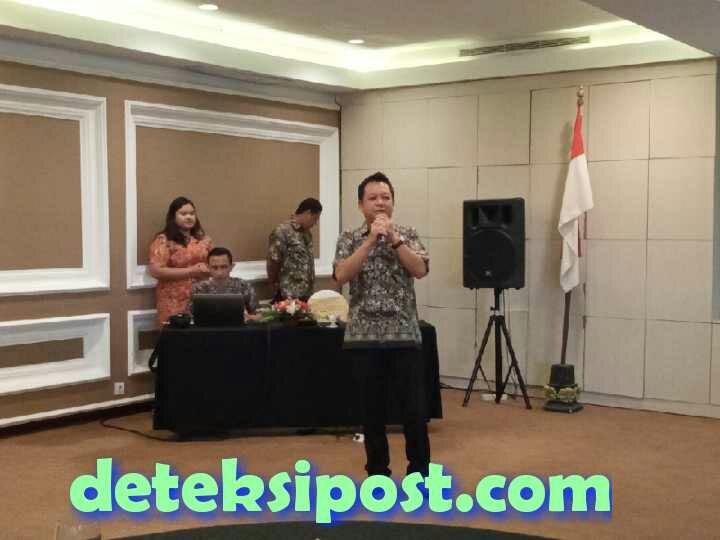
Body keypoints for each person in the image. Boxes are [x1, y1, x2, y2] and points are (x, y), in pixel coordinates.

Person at [333, 172, 430, 479]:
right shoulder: (349, 238)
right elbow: (341, 275)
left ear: (393, 203)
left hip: (404, 334)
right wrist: (370, 241)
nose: (380, 203)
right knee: (371, 413)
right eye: (373, 198)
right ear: (361, 205)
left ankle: (419, 475)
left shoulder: (408, 234)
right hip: (363, 337)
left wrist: (395, 240)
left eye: (385, 197)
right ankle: (377, 474)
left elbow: (420, 269)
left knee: (414, 411)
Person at [149, 196, 213, 324]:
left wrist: (208, 270)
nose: (189, 217)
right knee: (175, 333)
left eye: (192, 214)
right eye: (183, 214)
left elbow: (216, 263)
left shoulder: (204, 240)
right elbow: (156, 271)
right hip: (173, 299)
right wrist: (191, 271)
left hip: (201, 296)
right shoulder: (164, 240)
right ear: (173, 217)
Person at [266, 197, 322, 302]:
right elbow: (273, 263)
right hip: (288, 295)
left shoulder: (307, 234)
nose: (315, 223)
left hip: (307, 294)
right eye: (315, 219)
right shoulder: (282, 232)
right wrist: (275, 287)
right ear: (308, 213)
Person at [190, 247, 260, 321]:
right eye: (214, 267)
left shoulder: (243, 286)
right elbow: (191, 317)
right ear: (208, 267)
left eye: (224, 267)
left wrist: (248, 317)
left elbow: (259, 315)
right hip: (208, 328)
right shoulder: (199, 288)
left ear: (231, 267)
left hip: (237, 327)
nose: (219, 273)